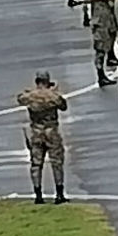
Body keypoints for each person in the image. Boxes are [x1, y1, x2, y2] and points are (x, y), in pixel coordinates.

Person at [17, 71, 69, 205]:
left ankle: (38, 195)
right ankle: (59, 194)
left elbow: (20, 99)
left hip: (36, 131)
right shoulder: (53, 96)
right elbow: (63, 106)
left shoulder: (30, 95)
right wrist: (53, 91)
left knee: (36, 164)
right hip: (51, 131)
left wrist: (33, 92)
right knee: (56, 162)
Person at [87, 0, 118, 86]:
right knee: (100, 51)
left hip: (107, 23)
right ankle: (101, 75)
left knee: (107, 45)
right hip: (100, 25)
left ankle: (108, 63)